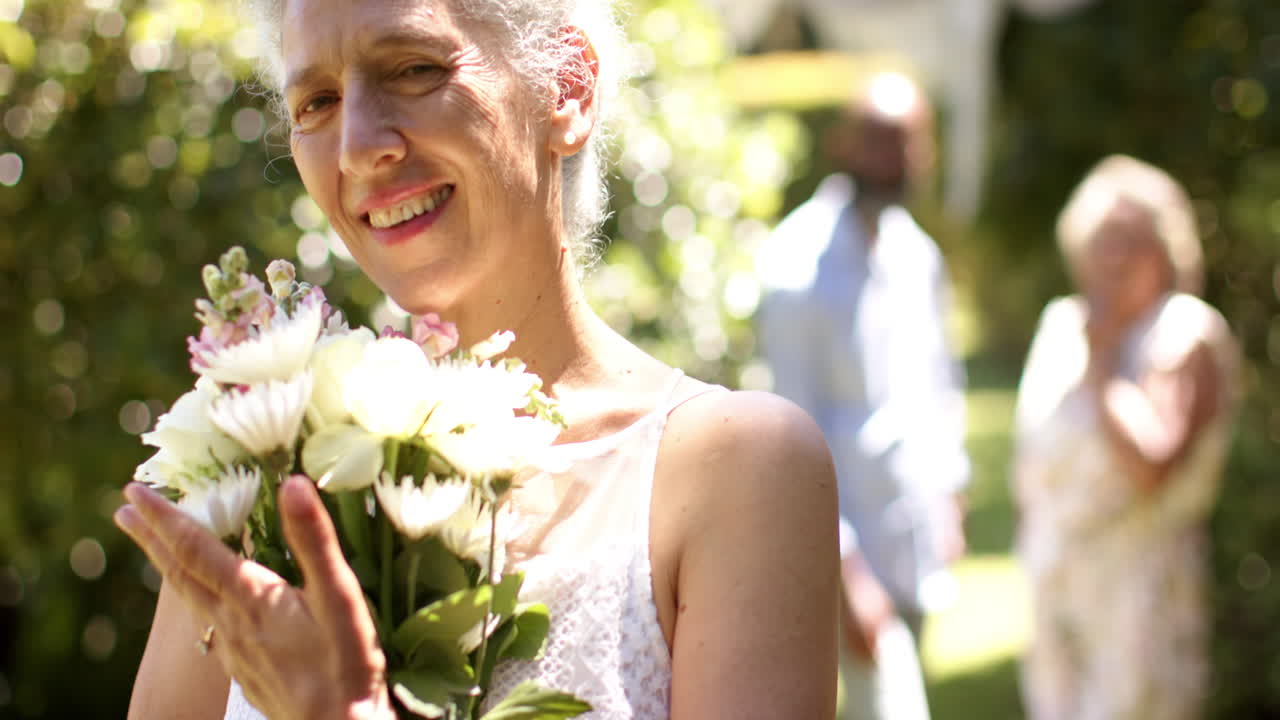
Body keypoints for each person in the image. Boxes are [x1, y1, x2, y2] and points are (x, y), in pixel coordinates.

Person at [112, 0, 841, 718]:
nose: (358, 146)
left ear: (568, 88)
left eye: (414, 69)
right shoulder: (258, 483)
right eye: (318, 101)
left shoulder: (734, 473)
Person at [755, 72, 969, 720]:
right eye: (878, 141)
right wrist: (846, 575)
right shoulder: (795, 268)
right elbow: (793, 436)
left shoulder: (916, 254)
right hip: (844, 554)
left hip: (913, 537)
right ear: (844, 146)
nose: (893, 161)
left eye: (906, 143)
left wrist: (951, 496)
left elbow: (940, 383)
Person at [1013, 155, 1238, 720]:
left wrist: (1104, 363)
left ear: (1165, 250)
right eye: (1101, 240)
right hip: (1057, 582)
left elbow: (1149, 465)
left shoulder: (1185, 332)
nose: (1111, 258)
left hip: (1139, 596)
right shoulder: (1062, 322)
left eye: (1129, 241)